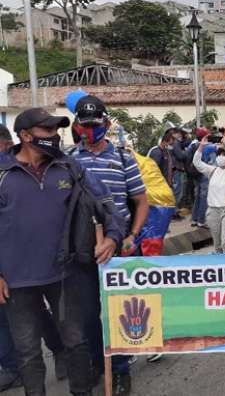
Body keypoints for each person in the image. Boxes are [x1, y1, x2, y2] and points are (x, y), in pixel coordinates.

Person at [1, 108, 122, 396]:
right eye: (48, 131)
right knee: (28, 352)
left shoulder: (70, 167)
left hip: (66, 274)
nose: (54, 137)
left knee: (76, 342)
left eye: (57, 131)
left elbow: (106, 204)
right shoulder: (2, 174)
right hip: (16, 282)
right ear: (25, 136)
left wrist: (113, 238)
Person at [69, 95, 150, 395]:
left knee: (119, 312)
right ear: (77, 126)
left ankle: (120, 370)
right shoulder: (69, 160)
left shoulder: (123, 159)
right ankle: (96, 363)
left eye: (96, 123)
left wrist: (132, 236)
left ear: (106, 123)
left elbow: (141, 202)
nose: (91, 129)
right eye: (85, 124)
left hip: (119, 248)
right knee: (88, 314)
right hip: (83, 250)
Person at [192, 136, 225, 253]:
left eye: (224, 155)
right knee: (218, 245)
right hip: (213, 211)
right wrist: (201, 147)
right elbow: (196, 163)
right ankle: (219, 269)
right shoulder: (212, 170)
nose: (221, 157)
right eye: (219, 154)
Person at [188, 127, 210, 228]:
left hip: (194, 173)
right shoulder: (206, 146)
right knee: (203, 197)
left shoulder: (191, 145)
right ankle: (201, 220)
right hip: (203, 174)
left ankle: (194, 219)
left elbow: (187, 158)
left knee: (197, 197)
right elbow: (208, 161)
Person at [147, 129, 176, 193]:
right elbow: (154, 170)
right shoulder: (156, 152)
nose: (171, 145)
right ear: (164, 142)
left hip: (165, 183)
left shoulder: (166, 151)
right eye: (170, 143)